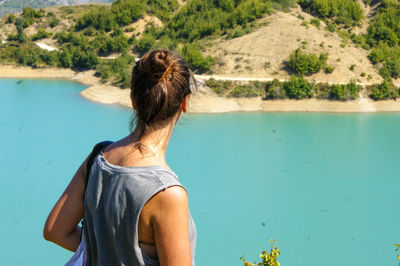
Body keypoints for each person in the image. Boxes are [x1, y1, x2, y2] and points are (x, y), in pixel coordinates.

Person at [43, 49, 197, 266]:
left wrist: (103, 249)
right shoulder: (167, 193)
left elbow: (55, 231)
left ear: (133, 101)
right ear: (184, 102)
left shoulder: (98, 158)